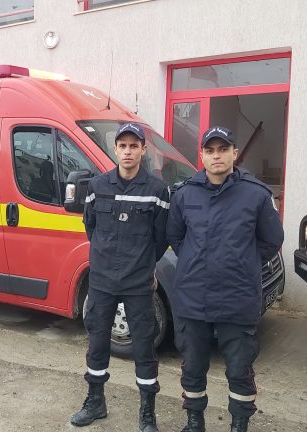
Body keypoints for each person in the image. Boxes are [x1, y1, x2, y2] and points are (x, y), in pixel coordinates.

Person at [166, 126, 284, 432]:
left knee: (240, 370)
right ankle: (195, 422)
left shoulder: (256, 194)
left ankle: (239, 424)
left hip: (237, 297)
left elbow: (272, 240)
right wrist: (196, 261)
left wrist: (242, 262)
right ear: (202, 155)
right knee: (192, 367)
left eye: (223, 149)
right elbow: (175, 237)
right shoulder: (184, 193)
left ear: (235, 153)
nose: (216, 156)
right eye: (210, 150)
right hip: (193, 297)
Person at [70, 123, 169, 431]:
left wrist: (143, 266)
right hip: (101, 282)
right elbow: (91, 227)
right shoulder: (97, 186)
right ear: (115, 149)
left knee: (144, 347)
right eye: (122, 145)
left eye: (133, 146)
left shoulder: (157, 191)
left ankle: (147, 412)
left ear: (143, 150)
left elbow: (161, 238)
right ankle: (95, 402)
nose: (128, 151)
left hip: (138, 285)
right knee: (98, 343)